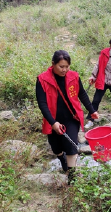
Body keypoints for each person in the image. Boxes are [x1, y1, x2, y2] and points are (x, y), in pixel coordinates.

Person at [36, 50, 99, 182]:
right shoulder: (42, 80)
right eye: (61, 66)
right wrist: (53, 123)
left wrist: (92, 110)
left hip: (71, 117)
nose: (64, 70)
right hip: (52, 119)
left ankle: (72, 178)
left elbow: (82, 94)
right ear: (53, 64)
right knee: (56, 147)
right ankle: (61, 159)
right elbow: (42, 104)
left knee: (71, 145)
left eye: (67, 66)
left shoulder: (74, 76)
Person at [84, 36, 111, 129]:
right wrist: (93, 76)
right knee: (96, 100)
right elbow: (98, 65)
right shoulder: (105, 53)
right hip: (103, 80)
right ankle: (90, 120)